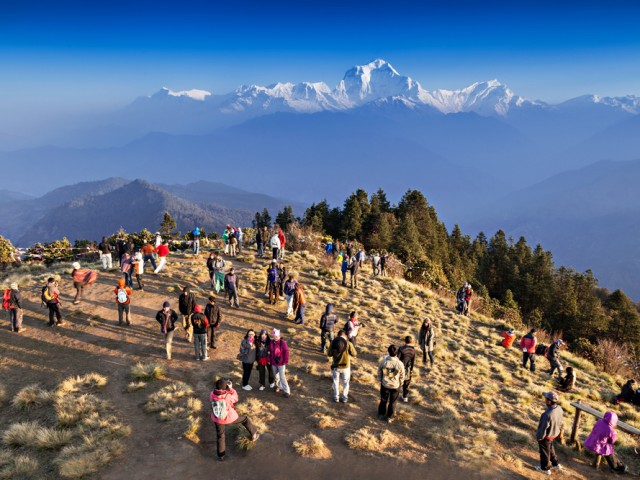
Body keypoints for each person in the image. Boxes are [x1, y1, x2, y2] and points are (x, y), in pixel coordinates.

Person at [210, 379, 259, 461]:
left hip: (217, 417)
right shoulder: (227, 396)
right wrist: (231, 389)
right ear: (225, 387)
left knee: (220, 436)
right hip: (229, 418)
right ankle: (253, 434)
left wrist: (226, 390)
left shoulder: (212, 394)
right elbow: (236, 398)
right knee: (245, 419)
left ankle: (221, 455)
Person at [535, 391, 564, 475]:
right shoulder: (559, 408)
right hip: (555, 433)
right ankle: (556, 463)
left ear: (549, 401)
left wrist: (539, 438)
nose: (545, 399)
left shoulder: (546, 414)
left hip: (547, 436)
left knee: (544, 452)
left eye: (546, 398)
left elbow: (542, 429)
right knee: (550, 448)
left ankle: (545, 468)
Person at [377, 345, 405, 423]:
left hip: (385, 384)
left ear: (388, 352)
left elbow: (379, 371)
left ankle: (381, 414)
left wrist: (380, 379)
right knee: (393, 402)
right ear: (397, 353)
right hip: (395, 385)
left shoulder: (383, 361)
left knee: (383, 400)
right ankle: (390, 416)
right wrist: (401, 382)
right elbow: (402, 375)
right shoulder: (400, 363)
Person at [328, 330, 357, 403]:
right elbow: (354, 354)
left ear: (338, 335)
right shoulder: (348, 344)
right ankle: (344, 398)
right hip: (346, 367)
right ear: (345, 336)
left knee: (335, 382)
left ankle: (336, 397)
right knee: (345, 383)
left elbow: (329, 354)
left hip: (336, 366)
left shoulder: (333, 343)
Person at [268, 329, 290, 397]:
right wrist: (269, 360)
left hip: (281, 363)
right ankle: (278, 387)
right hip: (274, 363)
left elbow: (286, 351)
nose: (276, 337)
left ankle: (287, 391)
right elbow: (269, 352)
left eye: (277, 336)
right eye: (274, 336)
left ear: (279, 335)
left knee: (282, 377)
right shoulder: (271, 342)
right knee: (276, 376)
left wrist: (285, 360)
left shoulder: (282, 342)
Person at [398, 336, 416, 403]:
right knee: (407, 383)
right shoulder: (413, 350)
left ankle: (395, 394)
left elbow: (398, 359)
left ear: (404, 341)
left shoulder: (401, 349)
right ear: (411, 342)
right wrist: (411, 370)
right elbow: (413, 361)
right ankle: (405, 397)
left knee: (398, 381)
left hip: (400, 368)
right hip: (408, 368)